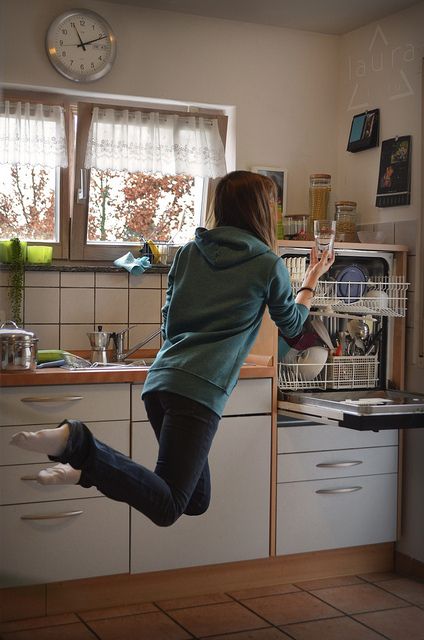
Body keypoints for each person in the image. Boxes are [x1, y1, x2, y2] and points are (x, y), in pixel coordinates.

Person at [11, 170, 334, 527]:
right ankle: (79, 443)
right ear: (260, 210)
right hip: (198, 392)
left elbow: (168, 318)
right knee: (168, 507)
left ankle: (84, 470)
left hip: (161, 383)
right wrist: (309, 283)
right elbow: (291, 326)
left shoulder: (188, 253)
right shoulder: (267, 264)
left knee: (194, 499)